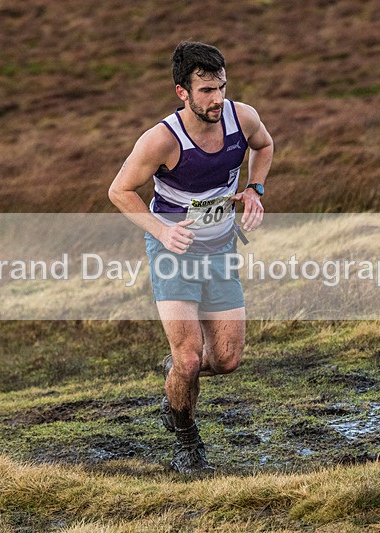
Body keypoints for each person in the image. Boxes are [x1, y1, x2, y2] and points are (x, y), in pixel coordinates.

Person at [108, 41, 273, 474]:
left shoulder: (243, 118)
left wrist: (255, 189)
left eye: (221, 87)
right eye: (205, 91)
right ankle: (186, 438)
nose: (216, 98)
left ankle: (176, 378)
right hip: (172, 252)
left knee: (226, 360)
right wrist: (162, 230)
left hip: (219, 248)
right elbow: (119, 191)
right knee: (189, 358)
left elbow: (265, 145)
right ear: (182, 91)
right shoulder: (161, 139)